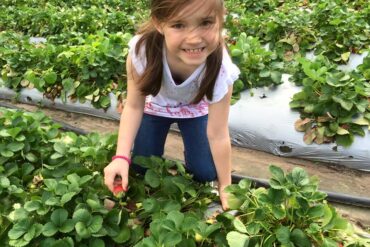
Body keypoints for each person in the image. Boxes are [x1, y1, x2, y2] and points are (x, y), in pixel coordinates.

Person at [104, 0, 240, 210]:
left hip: (195, 110)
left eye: (205, 22)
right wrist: (121, 157)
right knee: (141, 167)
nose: (194, 38)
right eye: (179, 25)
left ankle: (195, 157)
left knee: (204, 173)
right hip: (156, 107)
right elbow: (133, 107)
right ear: (159, 23)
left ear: (221, 18)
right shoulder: (143, 52)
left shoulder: (221, 68)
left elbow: (219, 134)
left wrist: (226, 187)